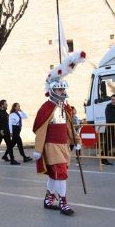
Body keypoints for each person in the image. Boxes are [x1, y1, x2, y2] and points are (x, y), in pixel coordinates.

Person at [32, 51, 85, 216]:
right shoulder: (46, 107)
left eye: (63, 89)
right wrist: (38, 150)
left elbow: (69, 126)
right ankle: (63, 202)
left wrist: (76, 141)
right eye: (60, 89)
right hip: (51, 145)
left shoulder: (65, 107)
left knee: (55, 176)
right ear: (53, 91)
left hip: (63, 145)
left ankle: (48, 199)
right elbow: (40, 130)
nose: (62, 92)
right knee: (61, 173)